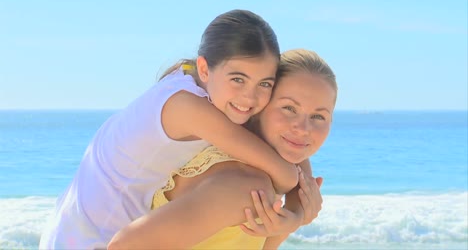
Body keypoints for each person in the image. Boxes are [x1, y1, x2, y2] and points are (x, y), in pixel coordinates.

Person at [39, 10, 300, 249]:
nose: (249, 98)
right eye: (238, 79)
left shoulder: (188, 79)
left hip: (73, 225)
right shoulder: (188, 108)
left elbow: (283, 151)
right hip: (87, 239)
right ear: (204, 69)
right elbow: (284, 174)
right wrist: (295, 215)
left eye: (264, 84)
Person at [108, 48, 338, 249]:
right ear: (260, 104)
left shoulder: (269, 172)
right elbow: (124, 246)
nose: (303, 128)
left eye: (319, 116)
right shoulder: (244, 186)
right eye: (289, 108)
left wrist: (296, 213)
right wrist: (296, 213)